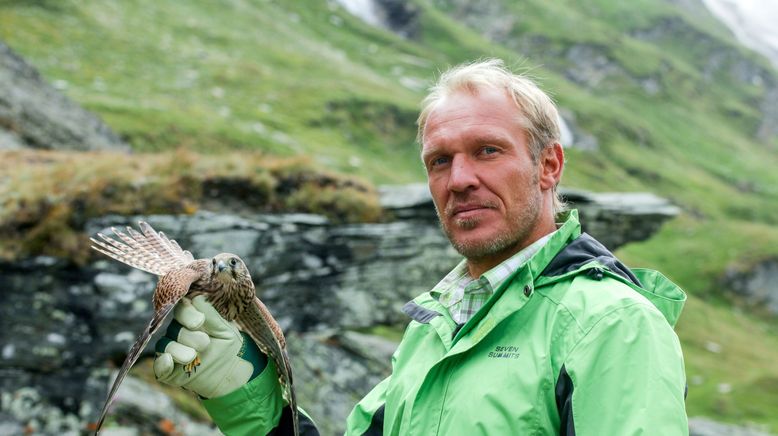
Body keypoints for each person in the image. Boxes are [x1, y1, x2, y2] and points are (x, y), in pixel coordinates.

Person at [152, 58, 688, 435]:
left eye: (487, 151)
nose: (460, 180)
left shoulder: (612, 325)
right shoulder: (432, 330)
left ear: (548, 165)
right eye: (440, 160)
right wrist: (243, 392)